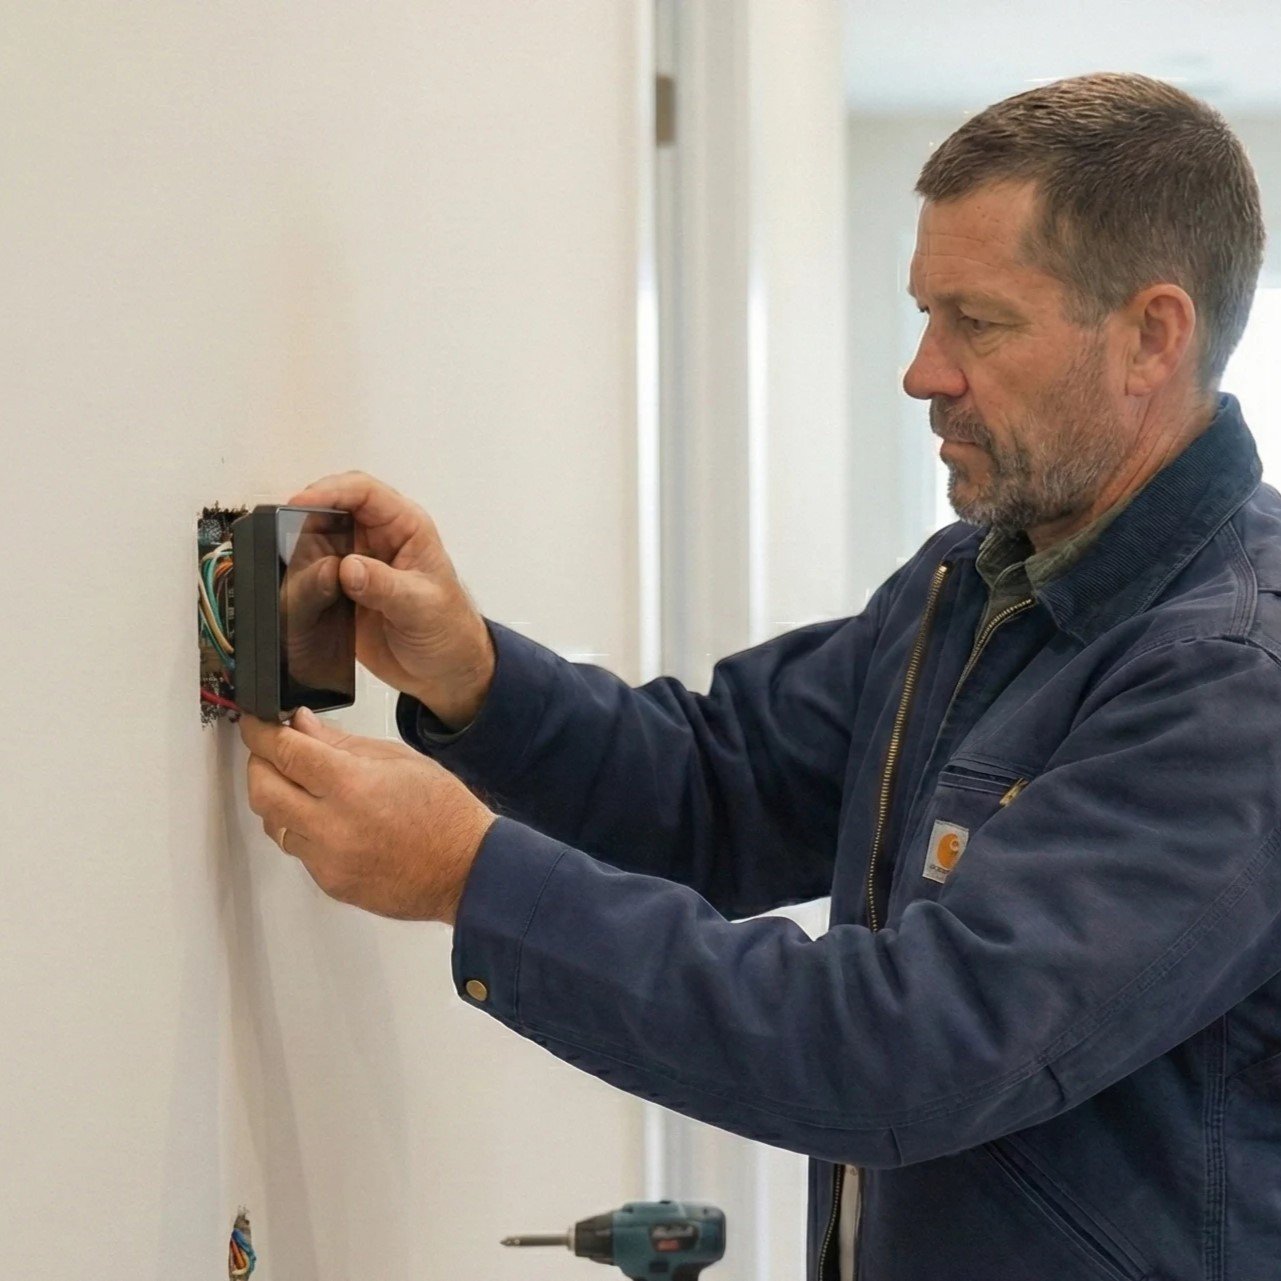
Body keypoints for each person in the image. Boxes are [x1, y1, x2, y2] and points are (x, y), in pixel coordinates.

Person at [238, 72, 1281, 1279]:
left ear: (1152, 335)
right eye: (923, 314)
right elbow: (714, 788)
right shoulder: (972, 588)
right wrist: (474, 676)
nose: (922, 373)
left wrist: (469, 875)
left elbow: (906, 1050)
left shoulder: (1234, 686)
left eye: (977, 324)